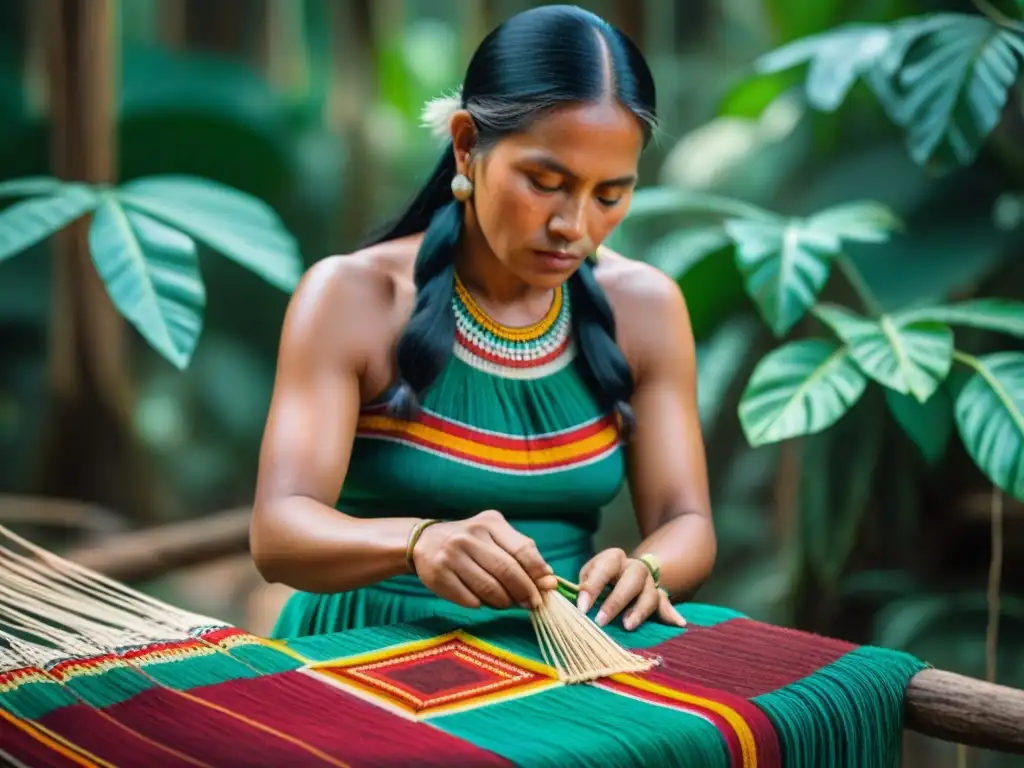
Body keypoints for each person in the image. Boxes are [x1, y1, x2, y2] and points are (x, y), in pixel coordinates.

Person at [250, 4, 715, 640]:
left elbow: (685, 519)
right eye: (545, 181)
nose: (574, 227)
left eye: (609, 195)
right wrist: (417, 543)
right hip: (362, 648)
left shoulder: (646, 306)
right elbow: (278, 533)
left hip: (562, 652)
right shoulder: (354, 297)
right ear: (468, 146)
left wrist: (647, 567)